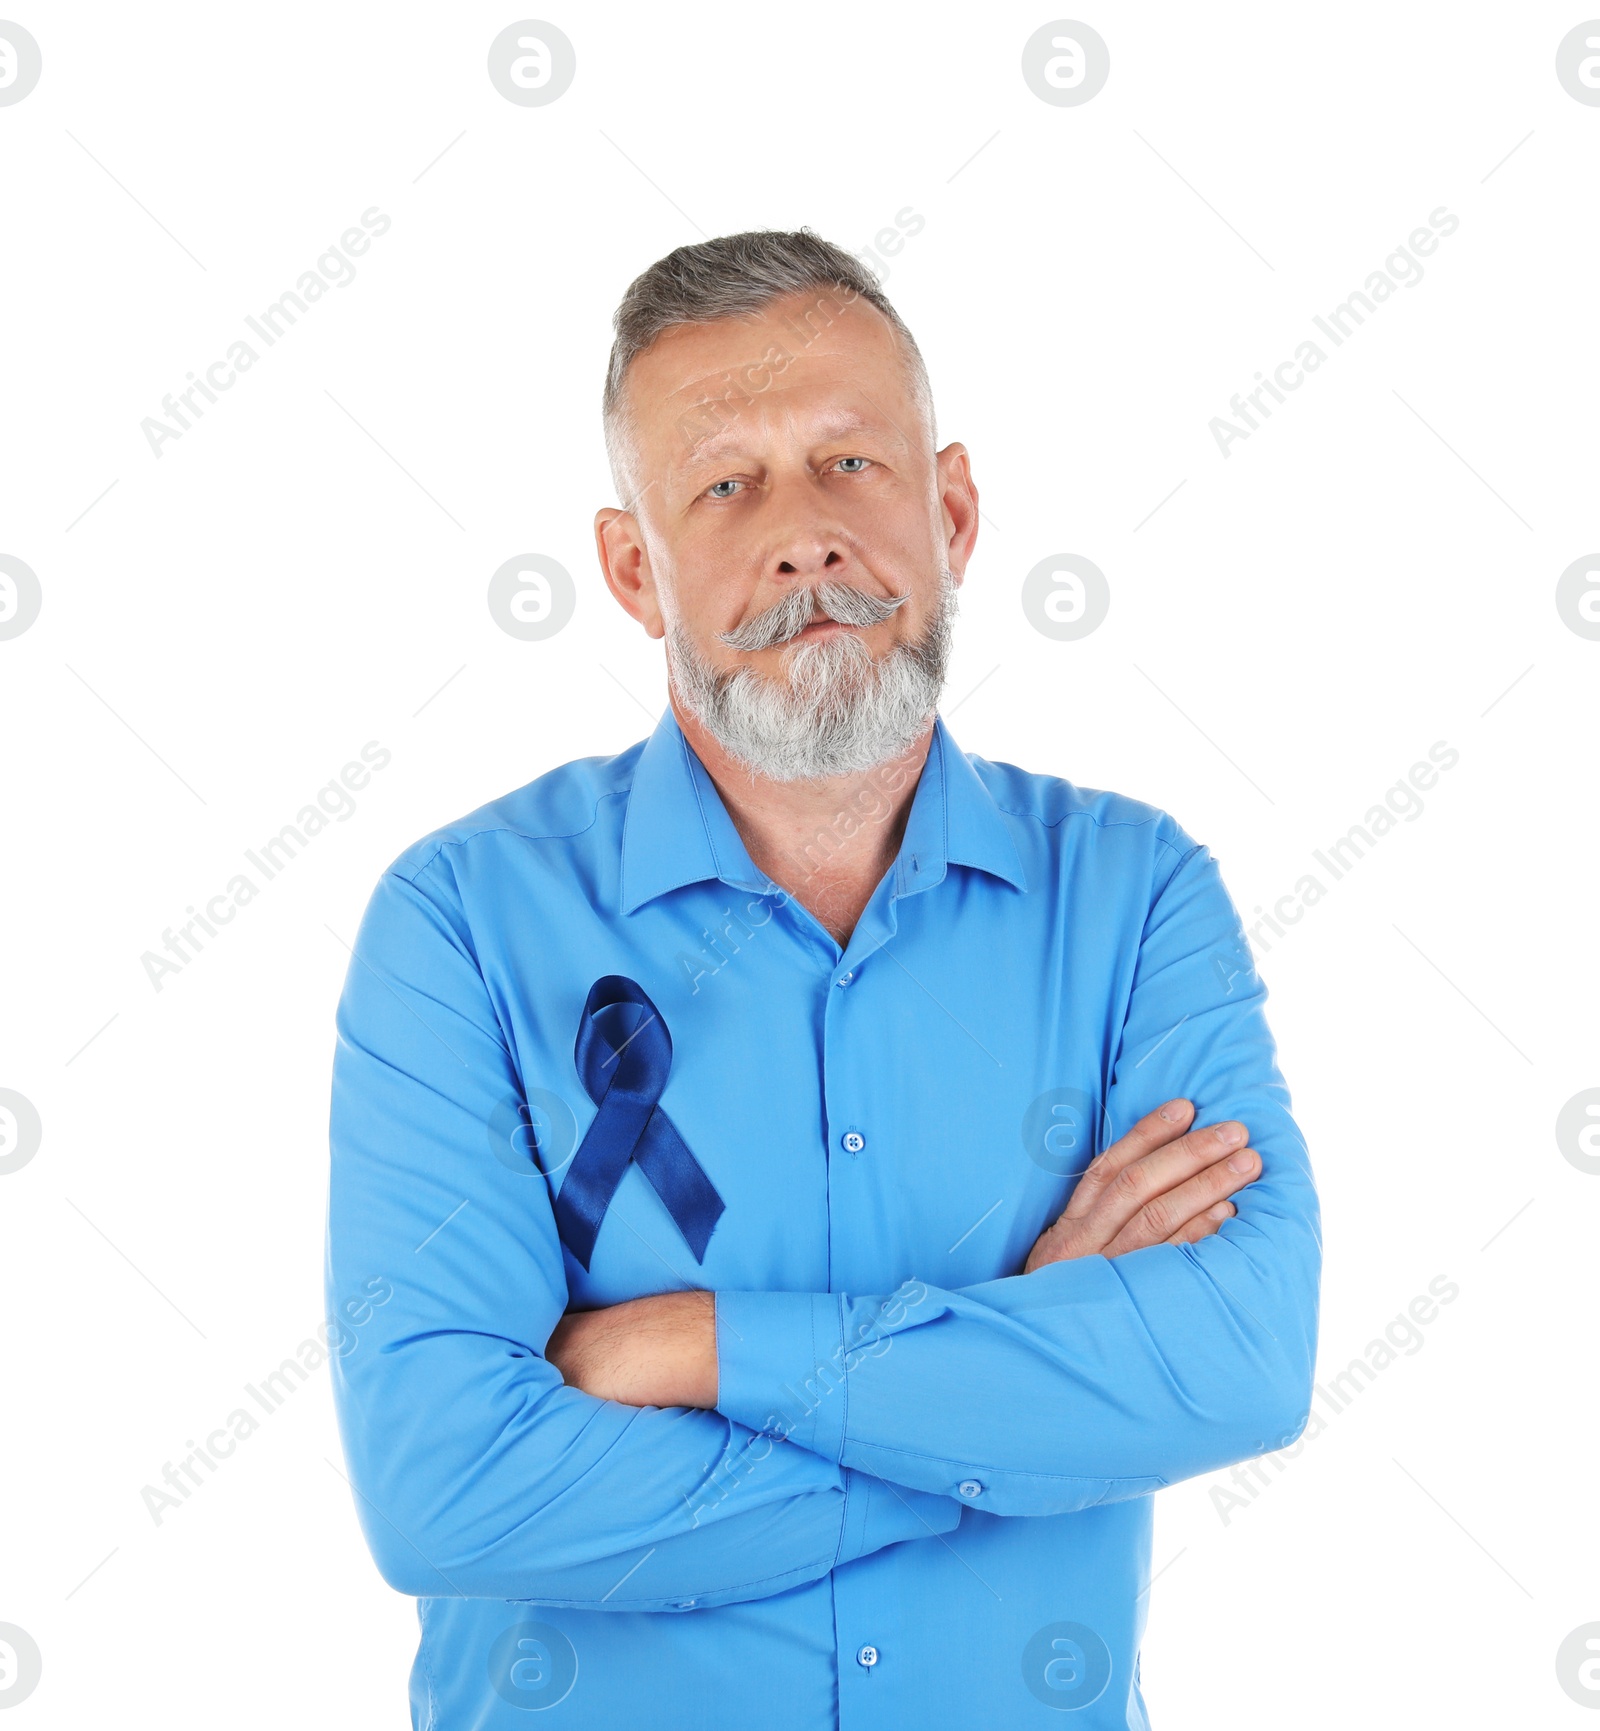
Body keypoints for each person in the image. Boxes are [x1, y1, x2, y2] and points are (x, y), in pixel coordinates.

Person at [325, 228, 1321, 1728]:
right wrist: (994, 1402)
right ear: (630, 570)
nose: (803, 536)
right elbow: (449, 1492)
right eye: (725, 485)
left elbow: (1240, 1360)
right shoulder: (461, 922)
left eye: (850, 463)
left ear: (956, 508)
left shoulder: (1134, 897)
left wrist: (702, 1349)